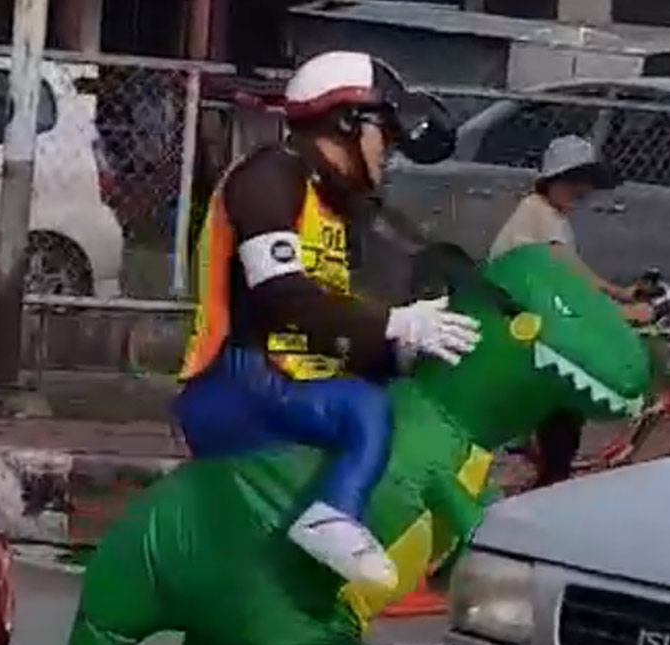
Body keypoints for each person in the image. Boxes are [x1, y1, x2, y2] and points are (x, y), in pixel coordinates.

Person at [174, 51, 479, 590]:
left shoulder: (336, 209)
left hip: (285, 381)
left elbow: (332, 326)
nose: (389, 154)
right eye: (383, 134)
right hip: (234, 382)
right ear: (345, 122)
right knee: (362, 408)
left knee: (394, 398)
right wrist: (393, 325)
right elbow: (284, 299)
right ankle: (331, 519)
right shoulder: (269, 178)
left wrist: (402, 347)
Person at [488, 135, 646, 487]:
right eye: (573, 181)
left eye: (583, 184)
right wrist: (621, 303)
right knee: (565, 400)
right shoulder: (537, 211)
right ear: (552, 179)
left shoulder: (552, 217)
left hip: (531, 319)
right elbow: (569, 273)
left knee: (564, 401)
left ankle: (548, 468)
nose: (580, 190)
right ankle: (550, 480)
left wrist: (619, 295)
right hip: (516, 323)